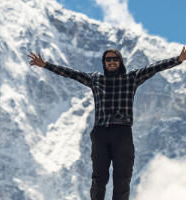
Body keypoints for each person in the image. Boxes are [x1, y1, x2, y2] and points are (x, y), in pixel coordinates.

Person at [28, 46, 186, 200]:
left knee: (122, 178)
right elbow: (71, 73)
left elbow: (154, 68)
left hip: (122, 133)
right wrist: (46, 65)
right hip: (100, 133)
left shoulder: (131, 78)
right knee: (99, 177)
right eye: (107, 59)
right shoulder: (96, 79)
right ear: (103, 62)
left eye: (114, 59)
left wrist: (178, 60)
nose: (111, 61)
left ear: (120, 61)